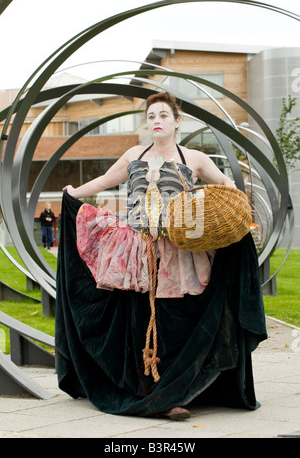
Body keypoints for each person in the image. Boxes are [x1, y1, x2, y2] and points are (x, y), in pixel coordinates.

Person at [56, 91, 267, 420]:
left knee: (176, 321)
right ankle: (151, 391)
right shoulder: (133, 154)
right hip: (139, 251)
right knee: (140, 320)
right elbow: (105, 180)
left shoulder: (193, 157)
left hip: (181, 252)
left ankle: (176, 393)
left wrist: (225, 201)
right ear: (146, 122)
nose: (157, 121)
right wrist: (73, 193)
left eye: (163, 116)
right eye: (152, 116)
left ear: (177, 121)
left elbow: (225, 183)